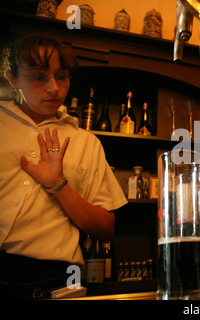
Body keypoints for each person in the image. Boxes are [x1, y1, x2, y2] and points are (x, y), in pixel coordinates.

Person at [0, 35, 127, 298]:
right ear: (12, 78)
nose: (54, 88)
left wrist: (58, 186)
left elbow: (105, 228)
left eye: (62, 76)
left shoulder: (85, 142)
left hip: (53, 281)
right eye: (38, 76)